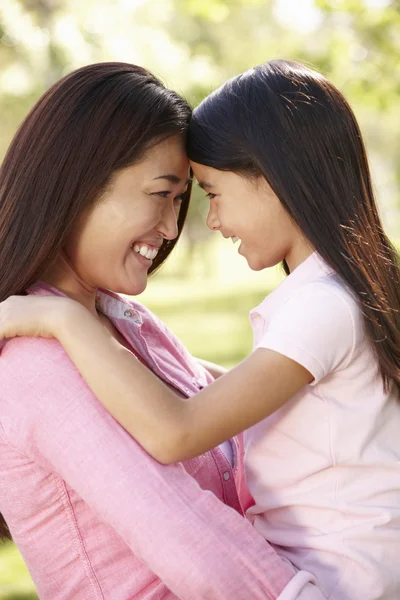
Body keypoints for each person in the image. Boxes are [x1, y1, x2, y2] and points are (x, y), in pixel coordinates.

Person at [4, 59, 400, 600]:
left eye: (193, 197)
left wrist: (68, 318)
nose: (175, 229)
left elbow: (194, 417)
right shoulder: (36, 363)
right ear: (80, 184)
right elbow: (193, 543)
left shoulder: (121, 322)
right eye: (161, 194)